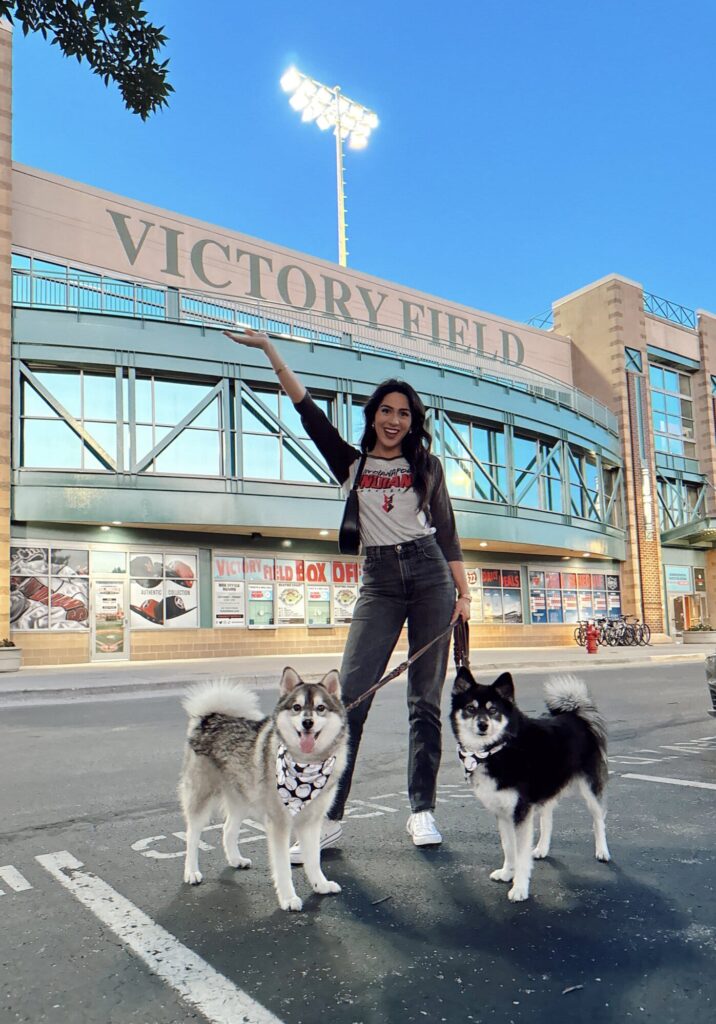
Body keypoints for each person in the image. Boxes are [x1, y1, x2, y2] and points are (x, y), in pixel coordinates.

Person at [224, 328, 471, 854]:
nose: (394, 420)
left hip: (429, 576)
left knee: (423, 701)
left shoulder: (426, 467)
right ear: (373, 415)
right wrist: (271, 351)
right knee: (348, 700)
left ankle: (422, 811)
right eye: (386, 410)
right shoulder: (351, 463)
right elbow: (305, 409)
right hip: (379, 581)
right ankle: (329, 817)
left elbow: (446, 532)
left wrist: (463, 592)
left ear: (413, 421)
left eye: (404, 413)